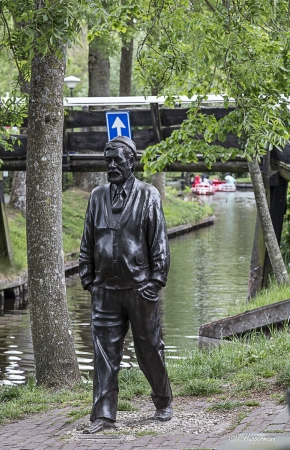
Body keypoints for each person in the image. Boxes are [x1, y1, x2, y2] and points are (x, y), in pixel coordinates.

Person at [79, 136, 173, 434]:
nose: (112, 165)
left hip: (140, 288)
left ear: (131, 161)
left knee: (149, 349)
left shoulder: (149, 195)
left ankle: (163, 399)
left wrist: (157, 280)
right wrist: (87, 277)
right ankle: (103, 416)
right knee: (104, 354)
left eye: (117, 160)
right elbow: (87, 240)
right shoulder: (97, 196)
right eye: (108, 160)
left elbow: (158, 240)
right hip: (104, 290)